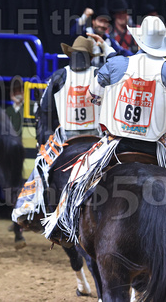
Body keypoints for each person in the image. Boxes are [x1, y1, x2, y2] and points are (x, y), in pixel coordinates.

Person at [42, 16, 166, 248]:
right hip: (155, 148)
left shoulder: (117, 65)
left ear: (140, 41)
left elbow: (94, 92)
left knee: (76, 179)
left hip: (116, 145)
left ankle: (63, 225)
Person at [13, 36, 102, 223]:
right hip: (98, 138)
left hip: (66, 138)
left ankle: (32, 209)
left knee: (41, 167)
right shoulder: (100, 74)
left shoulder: (59, 76)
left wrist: (44, 140)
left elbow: (45, 112)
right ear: (90, 56)